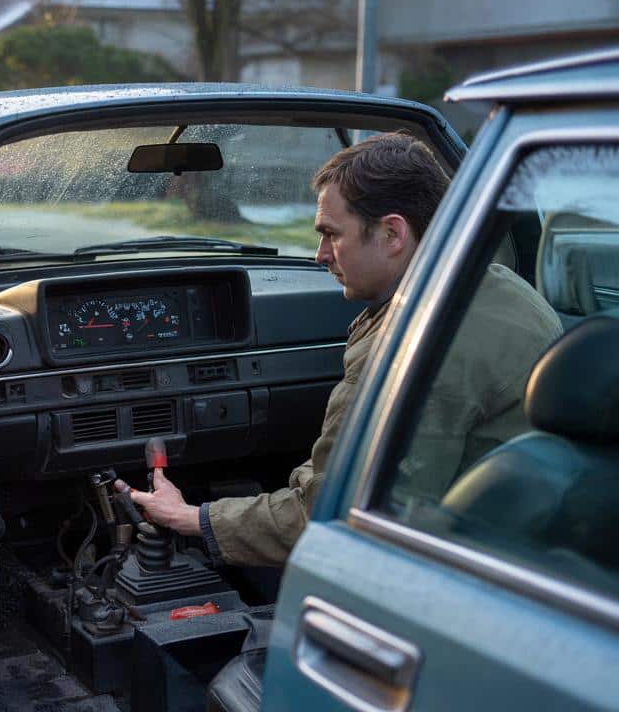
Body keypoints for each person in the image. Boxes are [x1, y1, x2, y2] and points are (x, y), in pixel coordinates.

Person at [119, 131, 562, 567]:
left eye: (331, 234)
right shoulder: (505, 288)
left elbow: (333, 517)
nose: (319, 255)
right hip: (520, 542)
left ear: (392, 234)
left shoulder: (412, 351)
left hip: (456, 571)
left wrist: (193, 518)